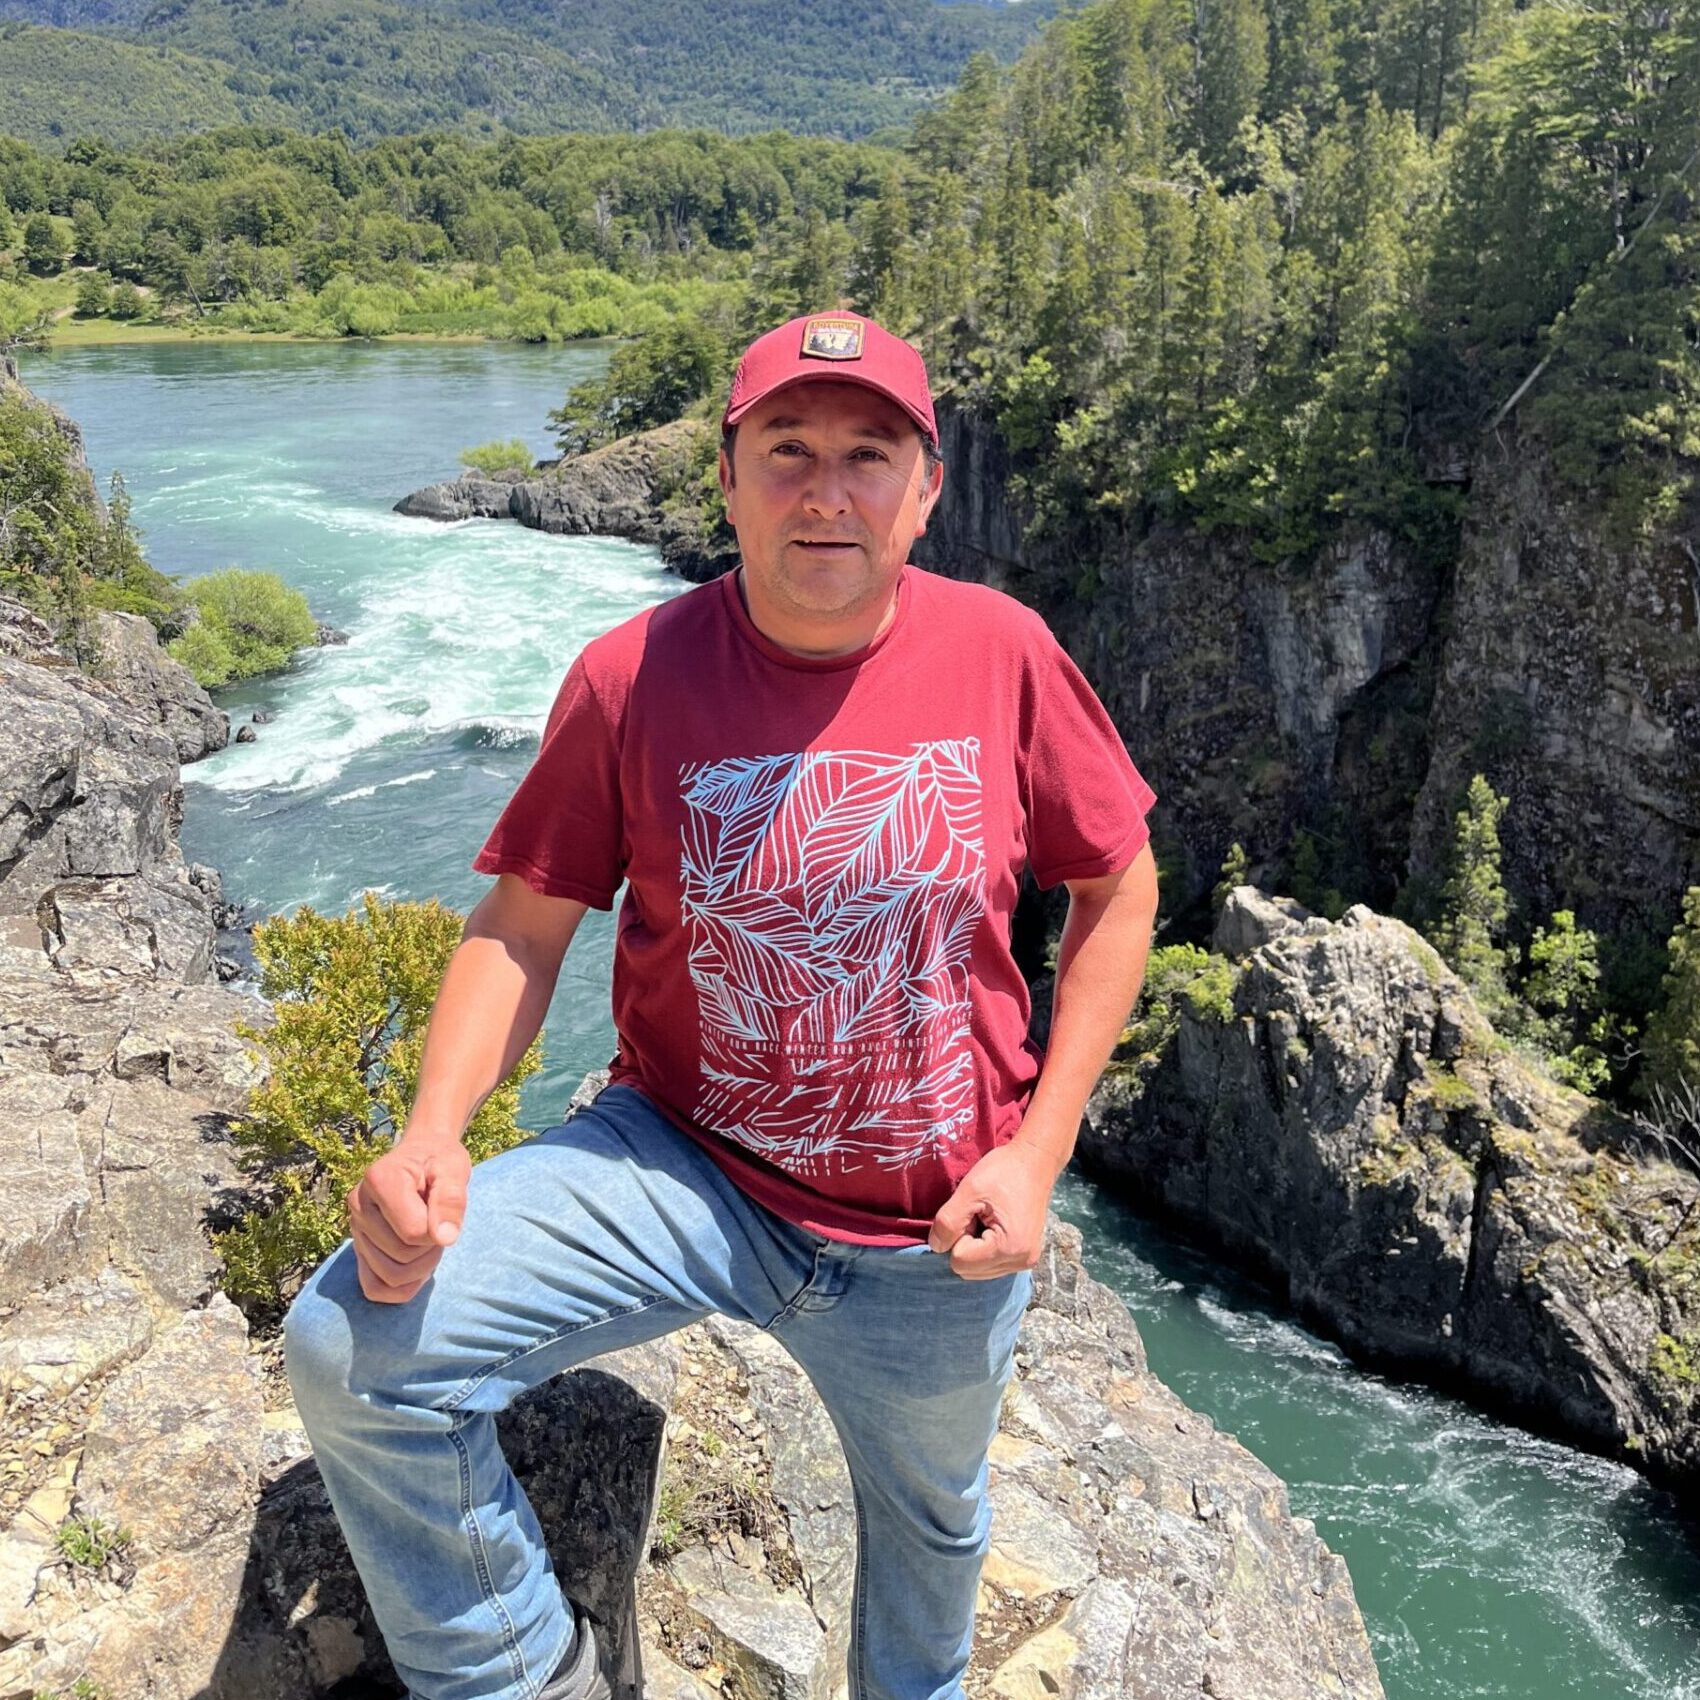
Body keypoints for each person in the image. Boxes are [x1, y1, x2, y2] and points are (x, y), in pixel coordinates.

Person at [283, 311, 1160, 1700]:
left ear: (926, 491)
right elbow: (521, 924)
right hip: (684, 1166)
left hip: (932, 1231)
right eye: (787, 450)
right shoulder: (630, 675)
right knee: (354, 1345)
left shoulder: (1005, 653)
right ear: (731, 481)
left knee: (934, 1537)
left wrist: (1038, 1152)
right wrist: (435, 1130)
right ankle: (528, 1678)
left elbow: (1117, 887)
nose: (827, 492)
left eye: (868, 455)